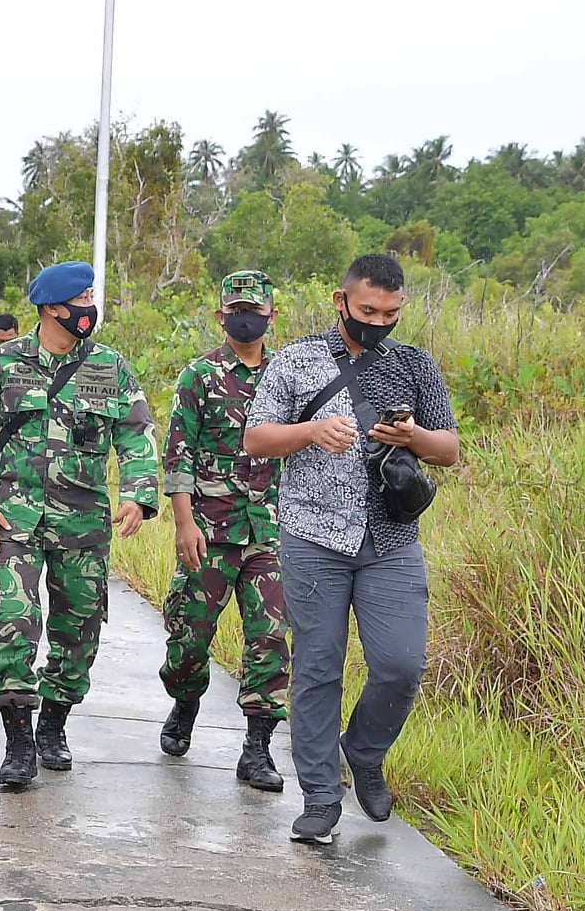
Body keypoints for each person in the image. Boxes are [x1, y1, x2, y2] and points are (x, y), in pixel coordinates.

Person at [243, 253, 459, 846]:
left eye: (390, 313)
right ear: (342, 301)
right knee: (318, 665)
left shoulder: (414, 365)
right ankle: (319, 797)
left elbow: (449, 449)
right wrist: (310, 431)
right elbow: (257, 437)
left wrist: (413, 436)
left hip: (391, 537)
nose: (378, 322)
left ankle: (363, 750)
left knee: (401, 665)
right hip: (314, 533)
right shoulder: (297, 360)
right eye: (368, 310)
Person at [0, 261, 159, 788]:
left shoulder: (110, 367)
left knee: (79, 632)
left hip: (83, 524)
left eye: (91, 297)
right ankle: (18, 743)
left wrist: (137, 494)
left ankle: (53, 724)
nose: (90, 307)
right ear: (50, 308)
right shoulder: (2, 363)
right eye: (81, 299)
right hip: (12, 520)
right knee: (14, 622)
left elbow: (136, 434)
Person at [157, 270, 288, 793]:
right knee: (189, 638)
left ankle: (257, 748)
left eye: (254, 310)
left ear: (271, 316)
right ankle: (185, 699)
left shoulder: (286, 377)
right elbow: (178, 454)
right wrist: (183, 522)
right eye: (236, 310)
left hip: (269, 529)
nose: (245, 319)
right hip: (209, 528)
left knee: (270, 638)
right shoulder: (199, 376)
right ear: (221, 316)